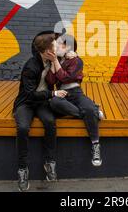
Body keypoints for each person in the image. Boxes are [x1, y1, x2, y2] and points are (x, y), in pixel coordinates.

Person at [12, 31, 68, 191]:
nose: (58, 47)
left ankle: (49, 162)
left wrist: (70, 55)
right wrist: (52, 93)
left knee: (50, 122)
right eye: (55, 46)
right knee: (23, 128)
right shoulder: (30, 66)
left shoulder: (54, 60)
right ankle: (22, 169)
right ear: (46, 51)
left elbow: (66, 71)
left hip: (42, 102)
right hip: (27, 103)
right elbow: (30, 94)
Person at [45, 33, 103, 167]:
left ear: (68, 46)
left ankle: (95, 145)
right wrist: (54, 62)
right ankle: (94, 112)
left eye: (60, 44)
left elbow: (66, 78)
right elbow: (51, 81)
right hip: (61, 94)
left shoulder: (76, 61)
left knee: (87, 107)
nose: (56, 46)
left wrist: (58, 61)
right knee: (54, 102)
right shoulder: (56, 60)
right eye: (56, 43)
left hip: (76, 92)